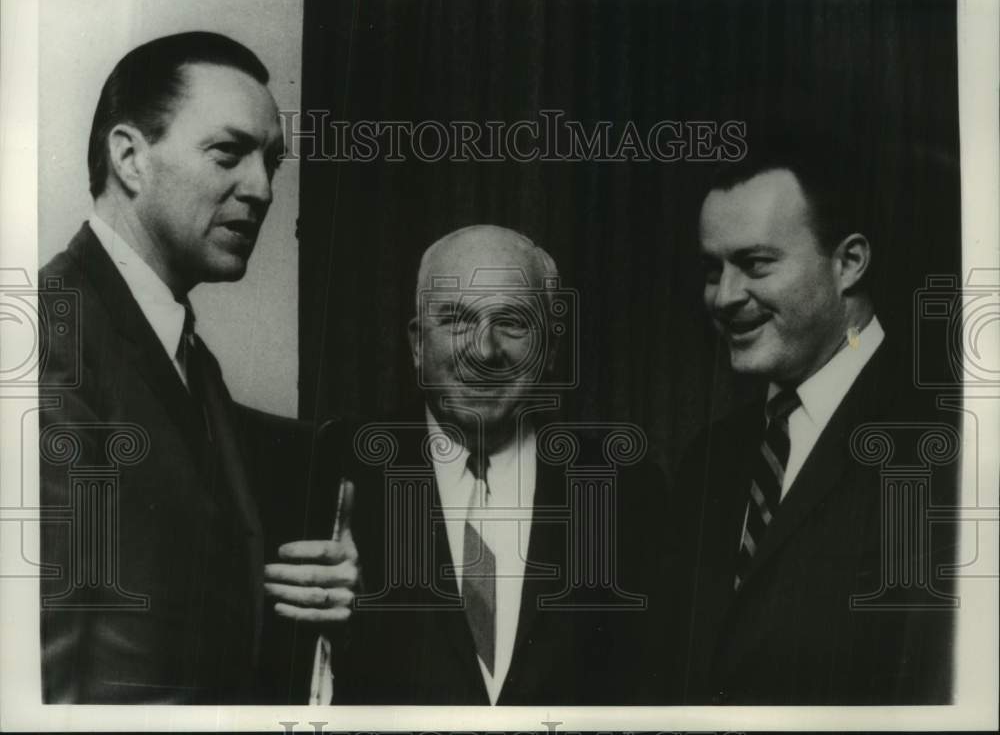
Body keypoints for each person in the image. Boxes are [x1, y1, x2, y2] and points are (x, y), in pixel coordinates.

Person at [38, 31, 356, 703]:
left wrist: (312, 577)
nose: (263, 188)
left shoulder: (188, 357)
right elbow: (42, 666)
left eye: (272, 162)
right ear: (129, 156)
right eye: (228, 153)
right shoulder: (50, 336)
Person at [261, 224, 668, 704]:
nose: (484, 349)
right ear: (417, 345)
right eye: (456, 320)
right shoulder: (334, 470)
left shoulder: (625, 487)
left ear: (552, 348)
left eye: (513, 322)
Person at [673, 139, 957, 704]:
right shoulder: (711, 458)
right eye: (712, 269)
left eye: (754, 264)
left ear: (848, 263)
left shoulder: (948, 444)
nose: (725, 297)